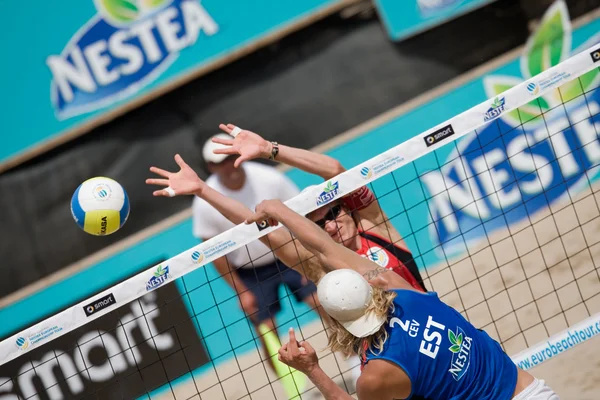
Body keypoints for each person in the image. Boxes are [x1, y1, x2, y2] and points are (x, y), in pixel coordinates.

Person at [241, 199, 559, 400]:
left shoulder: (377, 374)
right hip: (534, 392)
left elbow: (320, 250)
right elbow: (325, 248)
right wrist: (278, 208)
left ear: (335, 319)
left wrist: (311, 369)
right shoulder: (405, 292)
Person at [211, 124, 426, 292]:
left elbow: (334, 169)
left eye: (333, 213)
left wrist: (269, 149)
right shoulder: (319, 265)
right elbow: (254, 225)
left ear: (347, 208)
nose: (331, 226)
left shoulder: (376, 227)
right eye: (320, 225)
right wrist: (201, 190)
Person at [191, 133, 320, 374]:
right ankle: (289, 387)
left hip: (289, 255)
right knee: (267, 333)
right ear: (210, 166)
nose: (227, 166)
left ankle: (356, 359)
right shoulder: (203, 203)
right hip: (251, 272)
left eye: (229, 158)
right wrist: (241, 292)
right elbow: (215, 254)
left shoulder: (268, 178)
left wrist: (307, 256)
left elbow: (301, 215)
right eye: (219, 162)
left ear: (238, 155)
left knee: (323, 302)